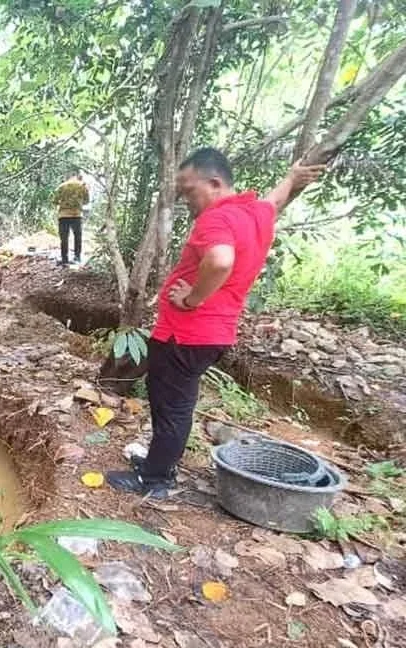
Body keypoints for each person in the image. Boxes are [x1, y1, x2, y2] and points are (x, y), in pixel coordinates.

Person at [106, 148, 325, 499]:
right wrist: (292, 179)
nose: (186, 199)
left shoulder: (217, 219)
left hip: (186, 335)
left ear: (215, 183)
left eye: (189, 190)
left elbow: (221, 261)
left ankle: (155, 479)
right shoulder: (252, 214)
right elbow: (274, 202)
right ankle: (158, 465)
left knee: (169, 407)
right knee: (178, 404)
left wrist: (192, 298)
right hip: (212, 335)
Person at [52, 172, 90, 265]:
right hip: (76, 215)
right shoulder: (82, 186)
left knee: (64, 238)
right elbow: (87, 201)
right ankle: (77, 257)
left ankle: (64, 259)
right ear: (77, 176)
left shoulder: (62, 186)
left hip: (63, 215)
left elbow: (55, 201)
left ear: (68, 176)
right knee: (78, 237)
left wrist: (64, 203)